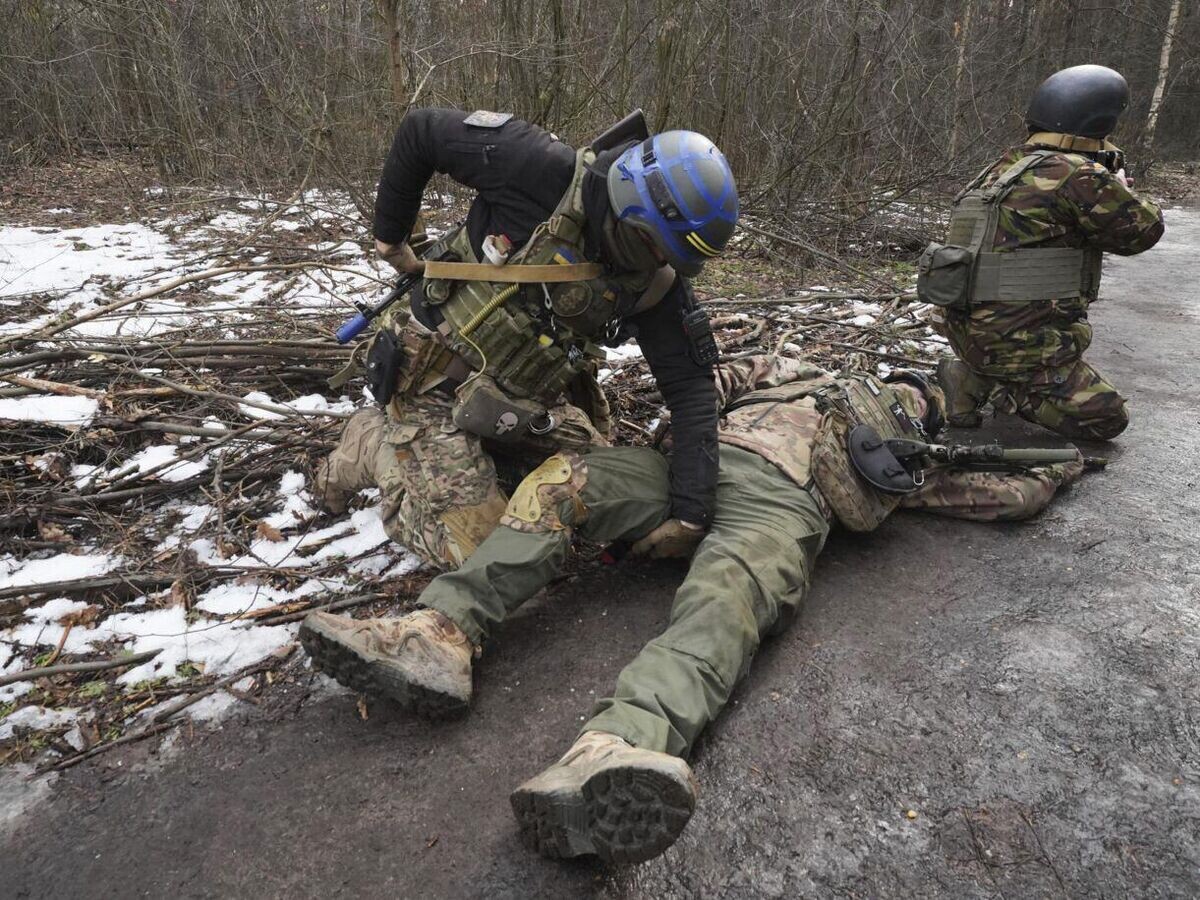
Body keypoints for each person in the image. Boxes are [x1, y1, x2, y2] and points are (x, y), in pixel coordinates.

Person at [300, 353, 1091, 864]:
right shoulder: (796, 370)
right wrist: (686, 452)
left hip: (781, 511)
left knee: (725, 603)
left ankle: (608, 755)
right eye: (912, 385)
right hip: (689, 473)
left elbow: (995, 496)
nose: (913, 397)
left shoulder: (915, 452)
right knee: (568, 480)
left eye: (923, 398)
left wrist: (1053, 471)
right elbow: (707, 376)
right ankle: (438, 630)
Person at [314, 109, 739, 569]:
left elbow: (691, 388)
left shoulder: (656, 281)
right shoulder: (538, 167)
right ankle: (372, 443)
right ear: (634, 209)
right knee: (490, 560)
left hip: (514, 408)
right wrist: (390, 238)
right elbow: (420, 132)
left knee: (616, 494)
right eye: (657, 247)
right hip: (428, 385)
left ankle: (480, 470)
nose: (659, 263)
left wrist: (692, 514)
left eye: (672, 257)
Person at [921, 64, 1164, 441]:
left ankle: (976, 370)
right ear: (1098, 121)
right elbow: (1142, 233)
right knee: (1106, 418)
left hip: (967, 331)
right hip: (1017, 342)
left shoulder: (1002, 167)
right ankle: (989, 385)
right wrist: (1119, 189)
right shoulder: (1077, 173)